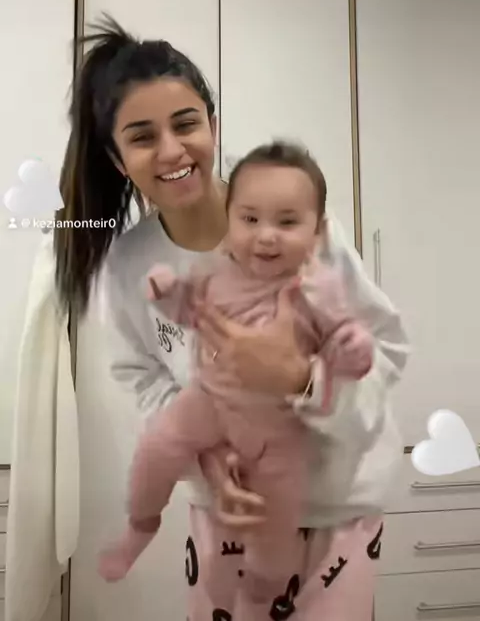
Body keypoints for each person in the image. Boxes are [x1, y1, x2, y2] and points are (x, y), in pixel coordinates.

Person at [53, 16, 410, 621]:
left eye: (186, 123)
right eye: (143, 137)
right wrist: (208, 461)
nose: (172, 150)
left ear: (213, 126)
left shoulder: (287, 215)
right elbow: (143, 377)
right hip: (227, 512)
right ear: (117, 159)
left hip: (337, 504)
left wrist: (300, 377)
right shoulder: (129, 266)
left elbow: (385, 352)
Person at [97, 140, 374, 602]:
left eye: (287, 222)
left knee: (278, 509)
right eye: (250, 220)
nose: (266, 236)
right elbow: (188, 309)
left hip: (282, 423)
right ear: (231, 220)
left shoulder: (319, 287)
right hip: (209, 399)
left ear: (318, 232)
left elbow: (346, 340)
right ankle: (140, 525)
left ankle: (267, 581)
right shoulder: (217, 271)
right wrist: (166, 292)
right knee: (158, 446)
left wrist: (353, 348)